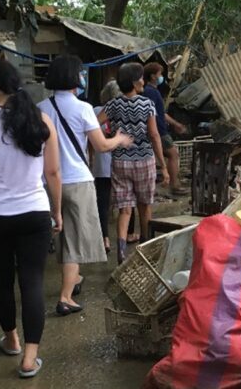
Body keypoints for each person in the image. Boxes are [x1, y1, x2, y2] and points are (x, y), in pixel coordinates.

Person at [0, 58, 62, 378]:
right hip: (34, 213)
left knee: (3, 281)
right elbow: (53, 172)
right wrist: (56, 211)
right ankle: (30, 359)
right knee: (32, 281)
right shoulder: (42, 120)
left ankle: (11, 339)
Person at [37, 56, 132, 315]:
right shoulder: (83, 108)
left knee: (63, 234)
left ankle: (74, 279)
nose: (83, 78)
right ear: (74, 77)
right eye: (81, 73)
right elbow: (100, 145)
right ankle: (66, 297)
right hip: (77, 181)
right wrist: (119, 139)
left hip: (48, 182)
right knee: (74, 242)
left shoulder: (39, 108)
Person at [100, 62, 168, 263]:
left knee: (125, 209)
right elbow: (155, 135)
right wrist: (163, 165)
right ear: (133, 82)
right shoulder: (147, 104)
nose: (143, 81)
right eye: (140, 78)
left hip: (120, 162)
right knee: (145, 206)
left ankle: (121, 252)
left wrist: (109, 137)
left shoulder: (112, 104)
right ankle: (146, 250)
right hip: (144, 161)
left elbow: (95, 123)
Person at [141, 62, 188, 196]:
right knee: (173, 154)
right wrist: (174, 125)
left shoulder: (153, 91)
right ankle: (175, 185)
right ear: (153, 76)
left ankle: (168, 183)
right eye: (159, 74)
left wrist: (175, 124)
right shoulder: (150, 92)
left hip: (159, 129)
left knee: (165, 155)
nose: (161, 77)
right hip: (159, 131)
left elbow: (162, 113)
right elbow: (155, 115)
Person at [92, 80, 121, 253]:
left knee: (102, 202)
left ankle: (105, 239)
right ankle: (128, 235)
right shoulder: (125, 109)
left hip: (101, 163)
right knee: (125, 201)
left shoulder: (95, 111)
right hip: (122, 161)